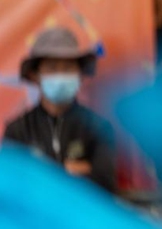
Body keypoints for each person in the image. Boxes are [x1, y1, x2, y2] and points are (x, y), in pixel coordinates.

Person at [4, 27, 115, 193]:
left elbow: (105, 183)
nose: (61, 75)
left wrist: (40, 173)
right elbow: (12, 187)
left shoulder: (98, 127)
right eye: (52, 68)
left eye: (68, 68)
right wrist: (75, 170)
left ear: (80, 74)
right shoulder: (17, 130)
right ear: (35, 75)